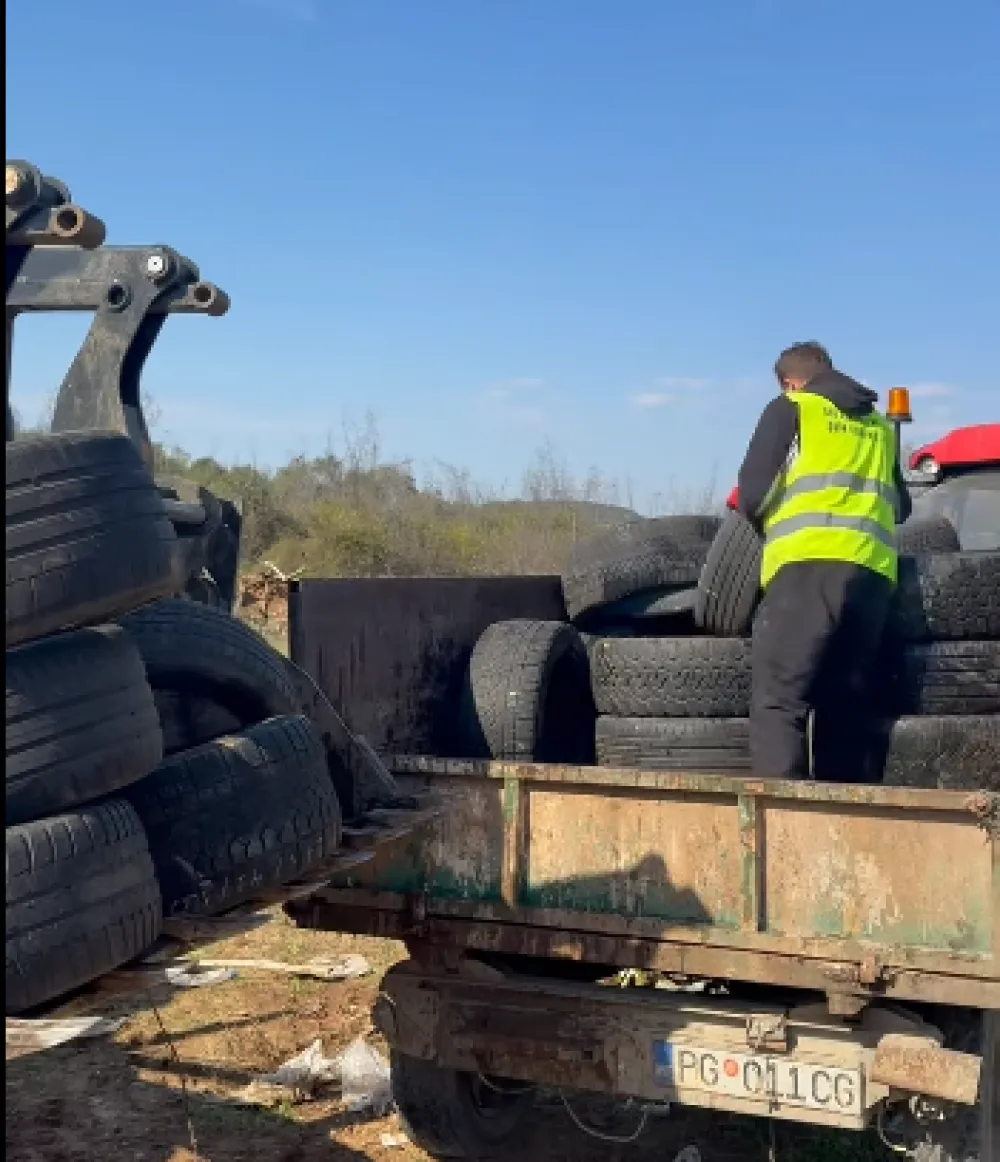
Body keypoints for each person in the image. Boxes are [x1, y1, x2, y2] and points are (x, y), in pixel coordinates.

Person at [736, 341, 912, 782]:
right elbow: (902, 506)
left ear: (792, 382)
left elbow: (753, 493)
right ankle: (842, 827)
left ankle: (780, 834)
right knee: (845, 707)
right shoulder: (876, 424)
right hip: (872, 576)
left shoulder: (791, 408)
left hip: (805, 567)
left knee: (779, 700)